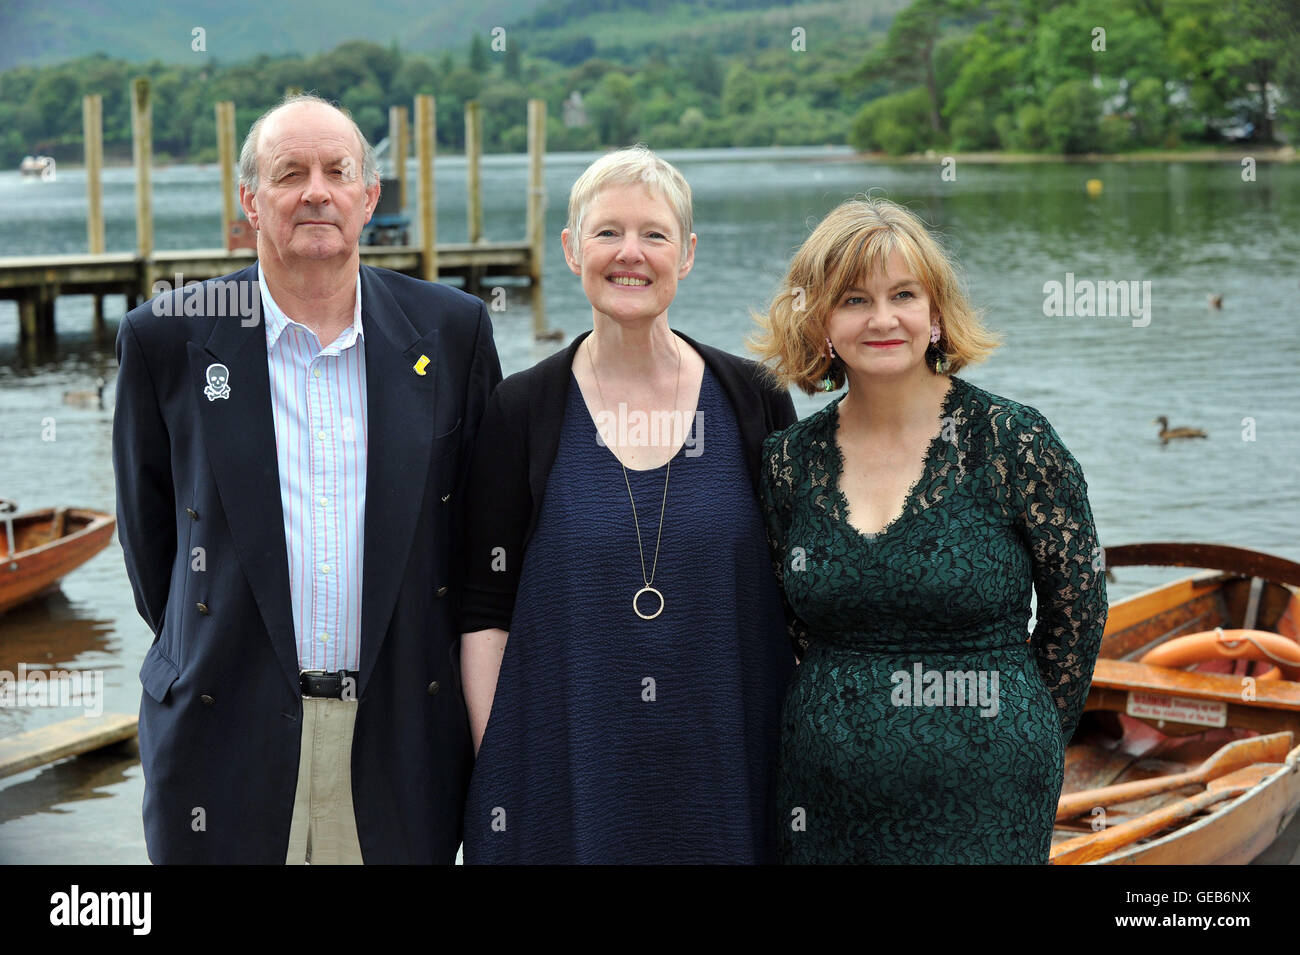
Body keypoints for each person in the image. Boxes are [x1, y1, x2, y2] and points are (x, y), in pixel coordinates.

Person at [112, 93, 501, 863]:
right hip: (224, 732)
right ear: (252, 201)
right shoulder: (165, 337)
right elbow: (153, 548)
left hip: (401, 737)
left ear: (369, 195)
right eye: (290, 173)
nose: (316, 190)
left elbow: (479, 543)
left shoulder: (453, 332)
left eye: (337, 170)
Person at [457, 145, 797, 863]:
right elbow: (485, 611)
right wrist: (507, 763)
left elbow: (797, 593)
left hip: (731, 765)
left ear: (689, 252)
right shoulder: (521, 409)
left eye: (654, 234)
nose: (629, 253)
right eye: (607, 231)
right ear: (572, 249)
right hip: (570, 775)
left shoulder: (753, 399)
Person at [751, 196, 1107, 864]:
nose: (882, 318)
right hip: (825, 794)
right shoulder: (787, 461)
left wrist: (1023, 736)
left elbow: (1077, 615)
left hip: (990, 792)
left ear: (937, 314)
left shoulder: (1013, 442)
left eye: (904, 295)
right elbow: (793, 625)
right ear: (821, 321)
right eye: (854, 299)